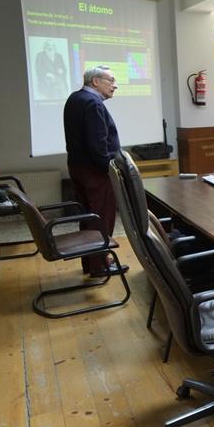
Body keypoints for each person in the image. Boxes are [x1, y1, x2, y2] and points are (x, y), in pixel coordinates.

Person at [63, 65, 127, 277]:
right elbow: (98, 145)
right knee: (101, 217)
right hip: (96, 172)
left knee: (88, 216)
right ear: (95, 81)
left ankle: (91, 264)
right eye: (111, 80)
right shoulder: (92, 103)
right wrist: (110, 171)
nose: (115, 86)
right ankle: (101, 265)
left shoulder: (75, 98)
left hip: (78, 167)